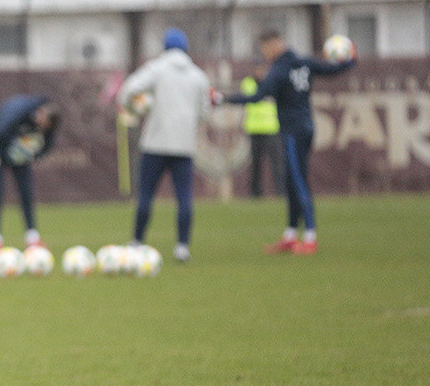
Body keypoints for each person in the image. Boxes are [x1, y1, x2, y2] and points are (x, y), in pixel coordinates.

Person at [225, 29, 355, 254]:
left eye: (265, 47)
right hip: (306, 127)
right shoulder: (304, 62)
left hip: (292, 132)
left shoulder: (279, 69)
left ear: (275, 44)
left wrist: (223, 99)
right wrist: (351, 58)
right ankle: (291, 235)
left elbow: (257, 96)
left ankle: (311, 237)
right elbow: (334, 68)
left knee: (298, 181)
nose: (264, 53)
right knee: (291, 182)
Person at [116, 27, 213, 262]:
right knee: (184, 197)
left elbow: (128, 89)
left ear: (165, 47)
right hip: (184, 146)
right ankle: (182, 247)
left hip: (155, 143)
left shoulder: (157, 68)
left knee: (146, 195)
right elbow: (205, 112)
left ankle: (137, 242)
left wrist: (134, 108)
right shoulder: (198, 76)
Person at [0, 95, 61, 249]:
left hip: (21, 156)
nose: (42, 125)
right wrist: (0, 155)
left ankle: (32, 237)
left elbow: (46, 145)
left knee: (26, 192)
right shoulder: (19, 112)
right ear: (41, 112)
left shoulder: (50, 125)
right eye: (43, 121)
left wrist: (30, 154)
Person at [240, 71, 285, 198]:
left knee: (277, 163)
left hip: (272, 128)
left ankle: (281, 192)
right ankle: (255, 193)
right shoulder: (248, 83)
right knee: (256, 164)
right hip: (254, 128)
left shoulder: (273, 80)